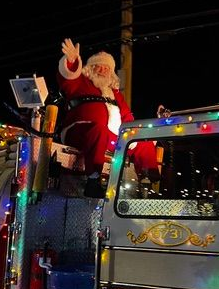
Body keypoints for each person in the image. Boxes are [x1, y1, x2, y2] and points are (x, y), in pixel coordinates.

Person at [57, 38, 160, 198]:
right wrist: (71, 62)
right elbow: (68, 77)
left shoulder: (115, 94)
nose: (103, 70)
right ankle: (93, 180)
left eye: (107, 67)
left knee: (141, 139)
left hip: (110, 138)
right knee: (99, 129)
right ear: (90, 68)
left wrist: (138, 132)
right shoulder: (81, 82)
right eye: (99, 66)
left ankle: (149, 183)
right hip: (80, 131)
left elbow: (127, 117)